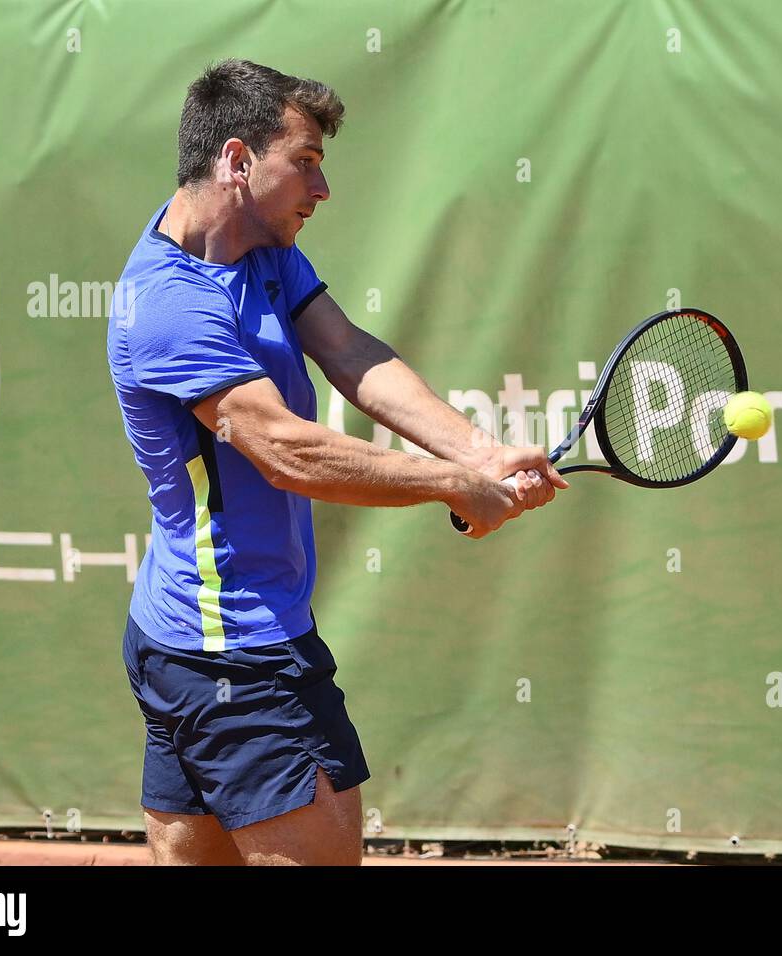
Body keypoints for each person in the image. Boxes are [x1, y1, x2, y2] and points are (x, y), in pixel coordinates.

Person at [106, 59, 566, 865]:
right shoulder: (171, 305)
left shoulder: (256, 245)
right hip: (234, 653)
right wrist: (455, 485)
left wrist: (480, 451)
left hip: (191, 632)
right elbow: (286, 452)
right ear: (238, 161)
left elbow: (350, 353)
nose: (322, 192)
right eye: (308, 164)